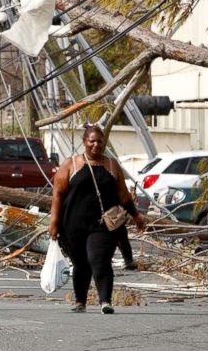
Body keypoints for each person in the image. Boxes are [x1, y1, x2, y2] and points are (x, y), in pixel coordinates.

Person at [49, 124, 145, 314]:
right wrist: (54, 223)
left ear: (104, 143)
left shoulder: (111, 165)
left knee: (99, 258)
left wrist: (136, 216)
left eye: (99, 141)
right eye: (91, 141)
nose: (96, 145)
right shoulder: (71, 164)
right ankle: (80, 301)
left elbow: (124, 196)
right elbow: (58, 195)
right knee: (80, 263)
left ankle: (105, 301)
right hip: (73, 225)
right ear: (84, 142)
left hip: (103, 224)